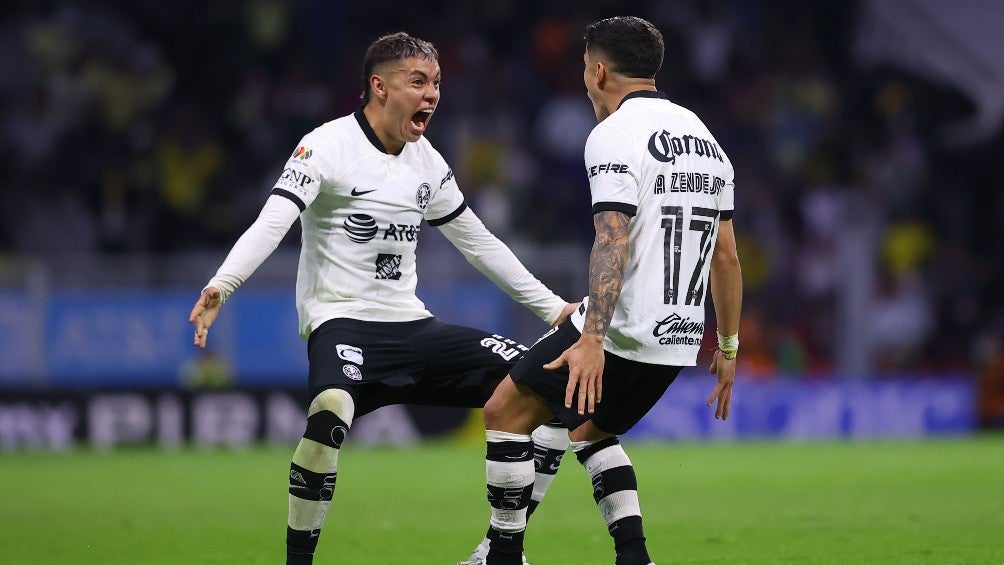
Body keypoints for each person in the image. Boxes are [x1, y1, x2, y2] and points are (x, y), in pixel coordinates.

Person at [187, 32, 577, 565]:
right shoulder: (326, 145)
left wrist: (555, 309)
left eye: (436, 83)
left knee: (547, 383)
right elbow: (274, 219)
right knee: (329, 413)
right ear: (379, 86)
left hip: (412, 325)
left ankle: (499, 549)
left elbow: (479, 243)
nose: (432, 94)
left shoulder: (427, 161)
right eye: (418, 82)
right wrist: (222, 285)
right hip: (343, 322)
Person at [477, 16, 743, 565]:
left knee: (504, 411)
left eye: (583, 71)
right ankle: (633, 556)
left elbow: (612, 237)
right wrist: (730, 346)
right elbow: (726, 255)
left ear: (599, 71)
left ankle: (501, 556)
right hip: (677, 338)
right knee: (584, 430)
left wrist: (592, 336)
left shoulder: (614, 134)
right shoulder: (707, 142)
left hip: (619, 328)